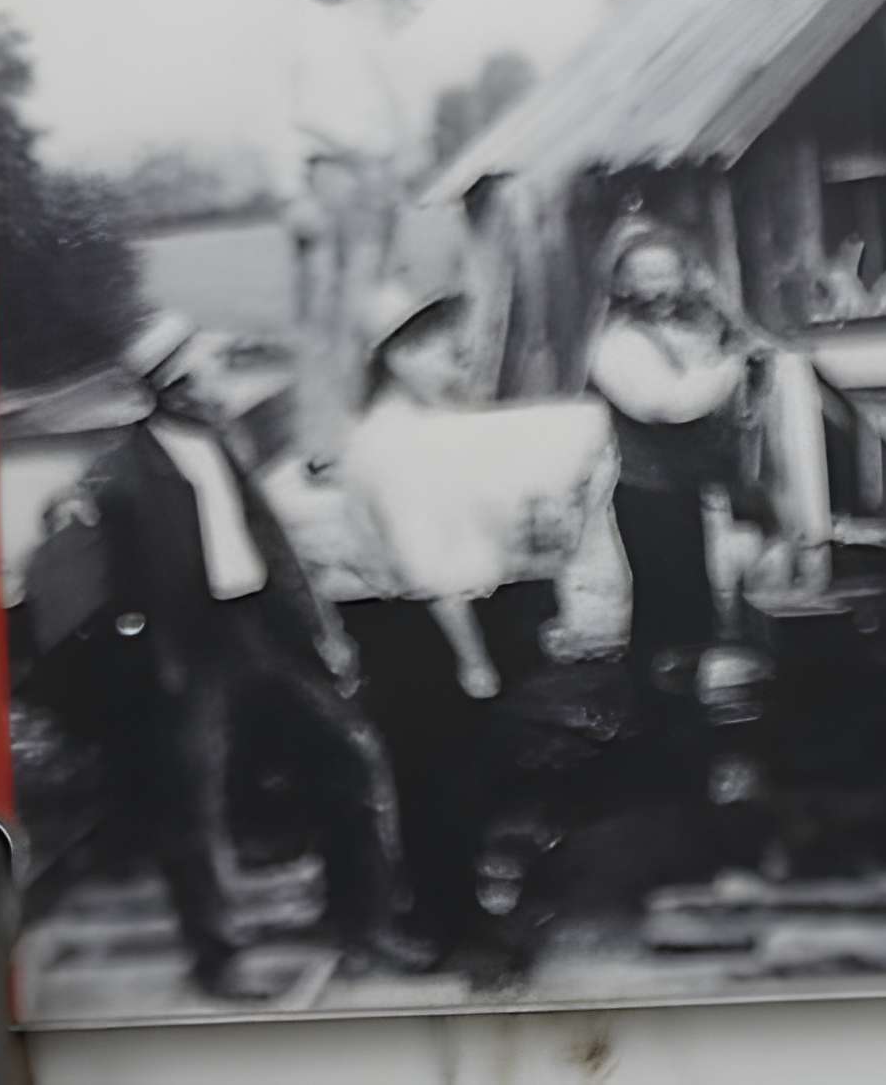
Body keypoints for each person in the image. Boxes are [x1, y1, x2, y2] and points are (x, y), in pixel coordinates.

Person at [86, 312, 407, 998]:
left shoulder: (222, 440)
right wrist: (153, 665)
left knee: (348, 763)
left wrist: (322, 633)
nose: (223, 381)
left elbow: (273, 545)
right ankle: (218, 956)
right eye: (208, 372)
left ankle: (361, 923)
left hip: (262, 629)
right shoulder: (122, 476)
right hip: (191, 647)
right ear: (174, 389)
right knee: (195, 805)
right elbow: (114, 591)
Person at [338, 287, 613, 977]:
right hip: (424, 630)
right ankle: (453, 929)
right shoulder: (389, 442)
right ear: (395, 359)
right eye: (431, 347)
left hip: (456, 615)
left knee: (460, 782)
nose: (451, 357)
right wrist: (474, 661)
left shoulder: (431, 426)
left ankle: (459, 913)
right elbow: (429, 571)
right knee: (441, 787)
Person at [582, 228, 762, 694]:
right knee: (665, 601)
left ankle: (685, 690)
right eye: (645, 274)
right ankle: (657, 705)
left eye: (667, 271)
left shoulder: (691, 330)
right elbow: (668, 404)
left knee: (696, 601)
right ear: (622, 283)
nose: (659, 284)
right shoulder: (618, 343)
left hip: (687, 487)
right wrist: (729, 369)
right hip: (648, 492)